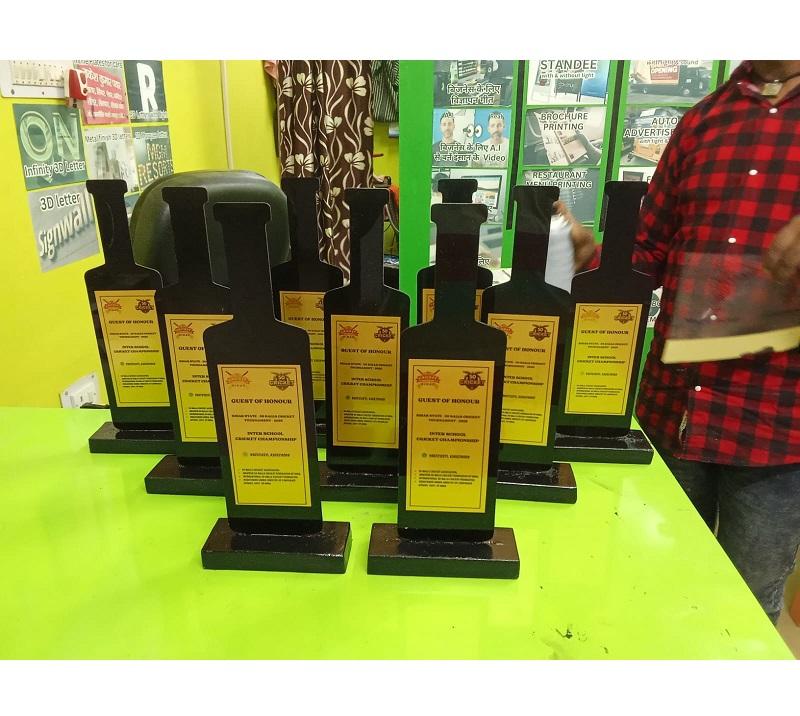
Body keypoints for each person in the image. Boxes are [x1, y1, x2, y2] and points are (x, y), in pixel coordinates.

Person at [574, 60, 800, 624]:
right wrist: (595, 259)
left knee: (743, 612)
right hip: (674, 408)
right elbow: (650, 250)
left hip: (778, 422)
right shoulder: (703, 121)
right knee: (647, 589)